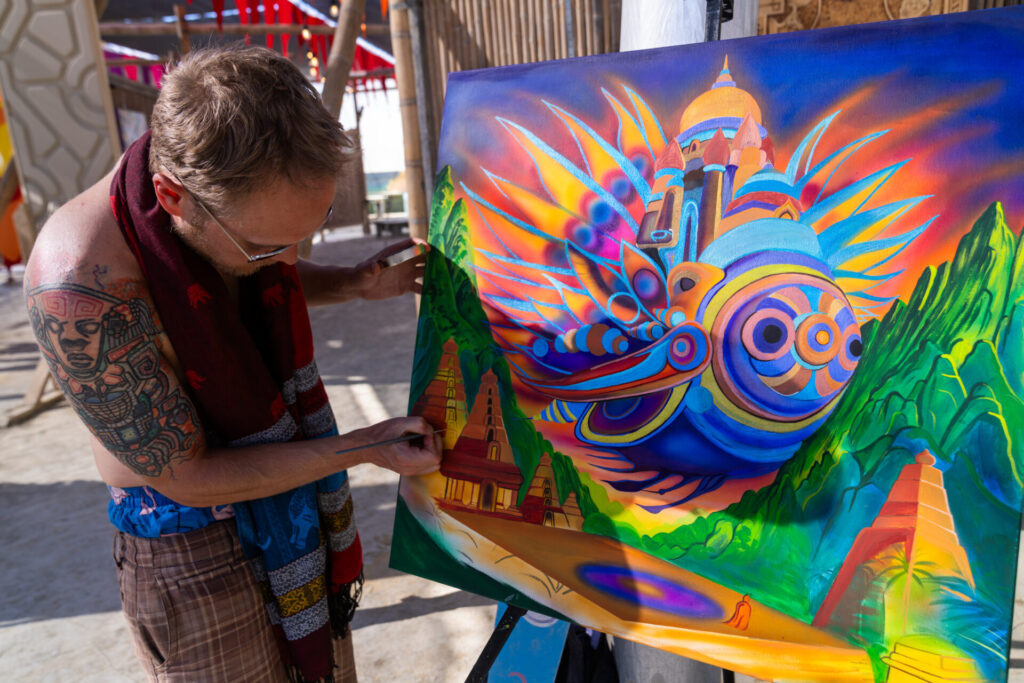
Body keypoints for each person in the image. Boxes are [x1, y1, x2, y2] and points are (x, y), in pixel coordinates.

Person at [23, 45, 441, 683]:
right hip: (190, 549)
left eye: (312, 227)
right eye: (269, 241)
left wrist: (352, 283)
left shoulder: (224, 221)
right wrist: (361, 448)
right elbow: (186, 476)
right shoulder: (82, 284)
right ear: (173, 198)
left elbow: (258, 268)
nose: (289, 259)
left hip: (290, 504)